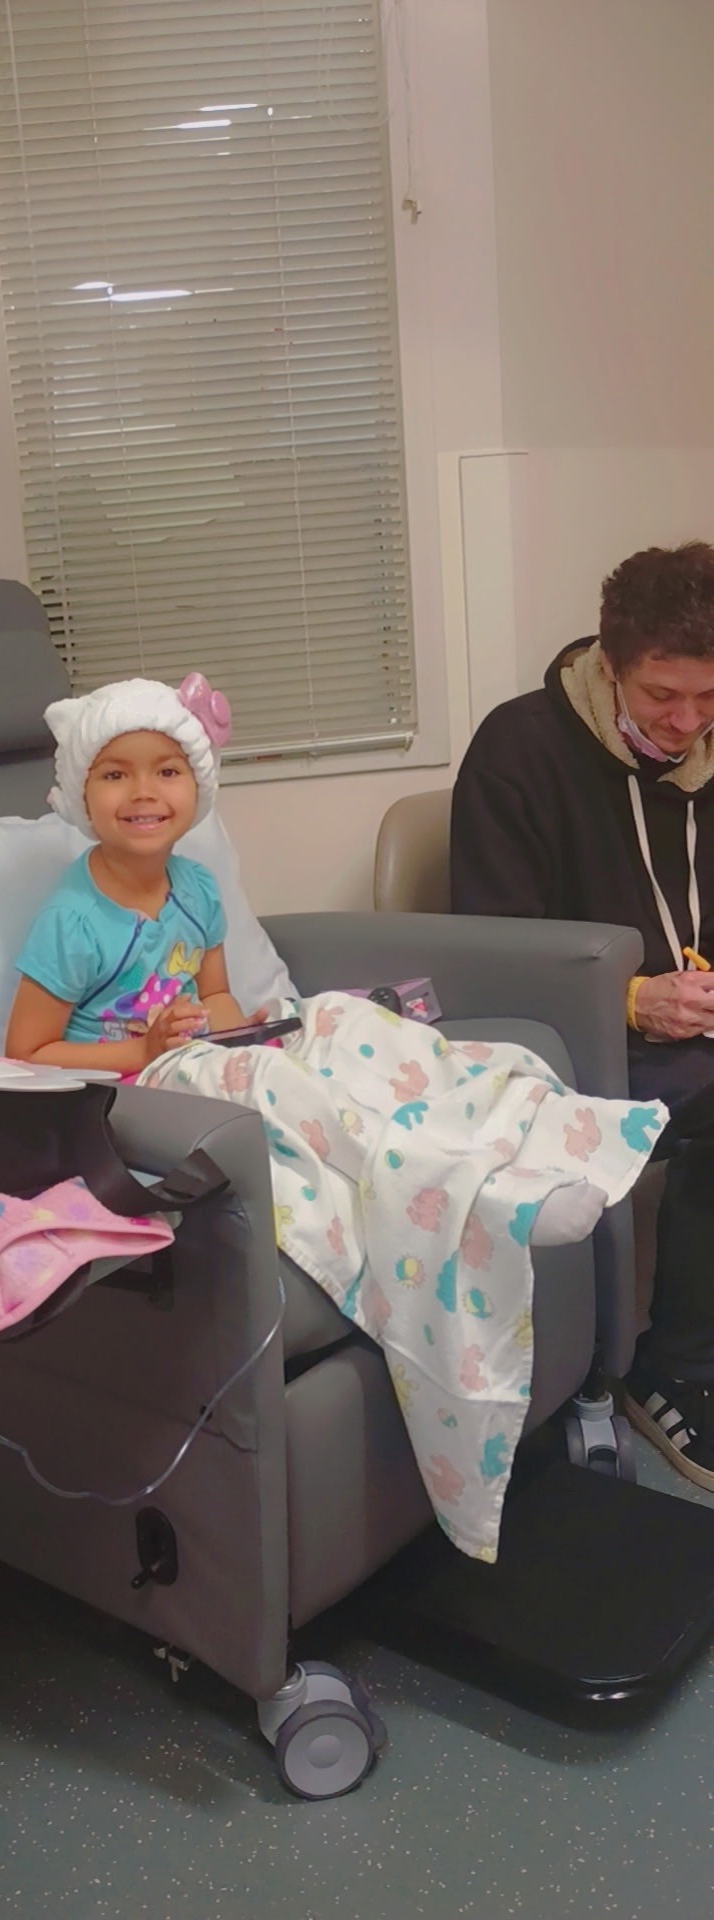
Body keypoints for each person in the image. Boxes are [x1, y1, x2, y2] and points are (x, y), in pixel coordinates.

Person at [5, 673, 661, 1561]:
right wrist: (142, 1046)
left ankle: (525, 1140)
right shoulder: (72, 919)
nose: (144, 793)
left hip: (209, 1049)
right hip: (140, 1086)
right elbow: (27, 1052)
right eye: (116, 774)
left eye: (166, 771)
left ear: (196, 787)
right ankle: (479, 1192)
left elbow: (218, 996)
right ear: (82, 795)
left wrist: (249, 1024)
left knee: (348, 1023)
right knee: (298, 1095)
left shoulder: (195, 889)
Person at [451, 540, 714, 1487]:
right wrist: (633, 999)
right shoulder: (519, 751)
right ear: (610, 665)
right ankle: (675, 1369)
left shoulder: (706, 748)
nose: (687, 722)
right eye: (662, 696)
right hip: (574, 1045)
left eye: (709, 697)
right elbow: (493, 959)